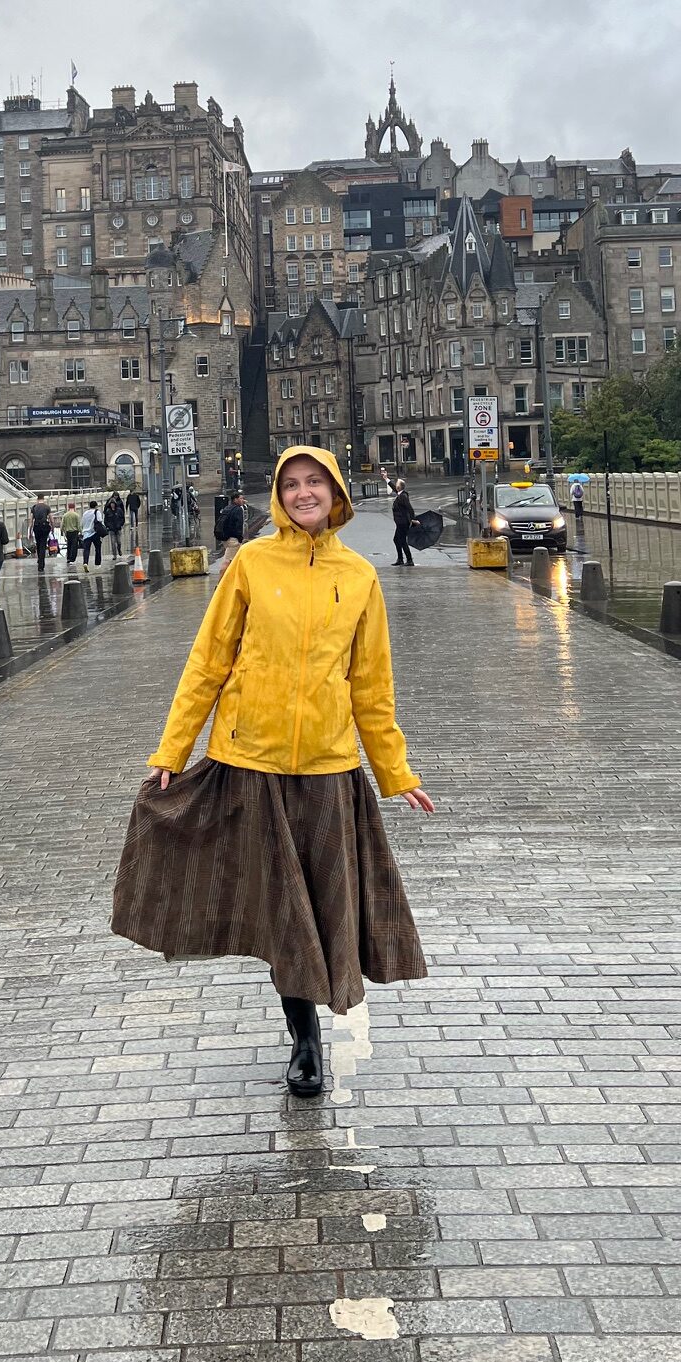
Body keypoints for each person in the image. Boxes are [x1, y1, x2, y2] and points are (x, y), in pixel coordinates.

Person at [113, 446, 432, 1099]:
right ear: (280, 496)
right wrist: (172, 751)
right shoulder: (252, 563)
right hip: (250, 763)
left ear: (335, 492)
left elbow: (372, 686)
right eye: (292, 483)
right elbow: (208, 662)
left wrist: (395, 771)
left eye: (315, 482)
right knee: (286, 913)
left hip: (327, 767)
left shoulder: (360, 576)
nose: (303, 492)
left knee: (318, 905)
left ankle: (311, 1032)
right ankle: (306, 1042)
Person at [213, 491, 246, 563]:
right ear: (235, 499)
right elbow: (238, 525)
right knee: (228, 561)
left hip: (225, 538)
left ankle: (234, 574)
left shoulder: (227, 508)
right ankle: (223, 574)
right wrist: (240, 539)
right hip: (233, 540)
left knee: (235, 560)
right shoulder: (238, 509)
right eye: (241, 498)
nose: (243, 500)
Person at [391, 478, 415, 568]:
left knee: (402, 541)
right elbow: (394, 488)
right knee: (396, 540)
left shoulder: (403, 496)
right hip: (400, 522)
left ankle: (409, 560)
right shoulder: (400, 494)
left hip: (403, 522)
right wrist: (386, 479)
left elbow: (410, 508)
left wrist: (413, 519)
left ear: (399, 487)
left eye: (397, 484)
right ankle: (400, 559)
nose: (396, 485)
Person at [30, 496, 53, 572]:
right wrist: (52, 527)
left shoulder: (34, 507)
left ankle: (39, 560)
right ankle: (41, 564)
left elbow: (31, 520)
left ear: (37, 499)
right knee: (43, 544)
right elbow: (51, 518)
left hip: (36, 526)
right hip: (44, 526)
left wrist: (30, 531)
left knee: (38, 544)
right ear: (43, 499)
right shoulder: (47, 507)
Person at [103, 490, 126, 558]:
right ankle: (114, 555)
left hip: (118, 528)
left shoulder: (119, 510)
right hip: (111, 529)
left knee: (119, 542)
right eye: (111, 504)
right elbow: (105, 520)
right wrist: (108, 526)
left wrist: (121, 524)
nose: (112, 505)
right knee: (113, 543)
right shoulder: (108, 511)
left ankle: (119, 549)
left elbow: (122, 518)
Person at [80, 499, 103, 566]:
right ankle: (97, 564)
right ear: (96, 506)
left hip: (86, 534)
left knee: (86, 549)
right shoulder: (97, 512)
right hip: (95, 533)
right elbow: (100, 521)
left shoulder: (85, 513)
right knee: (97, 548)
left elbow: (82, 523)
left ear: (89, 506)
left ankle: (85, 563)